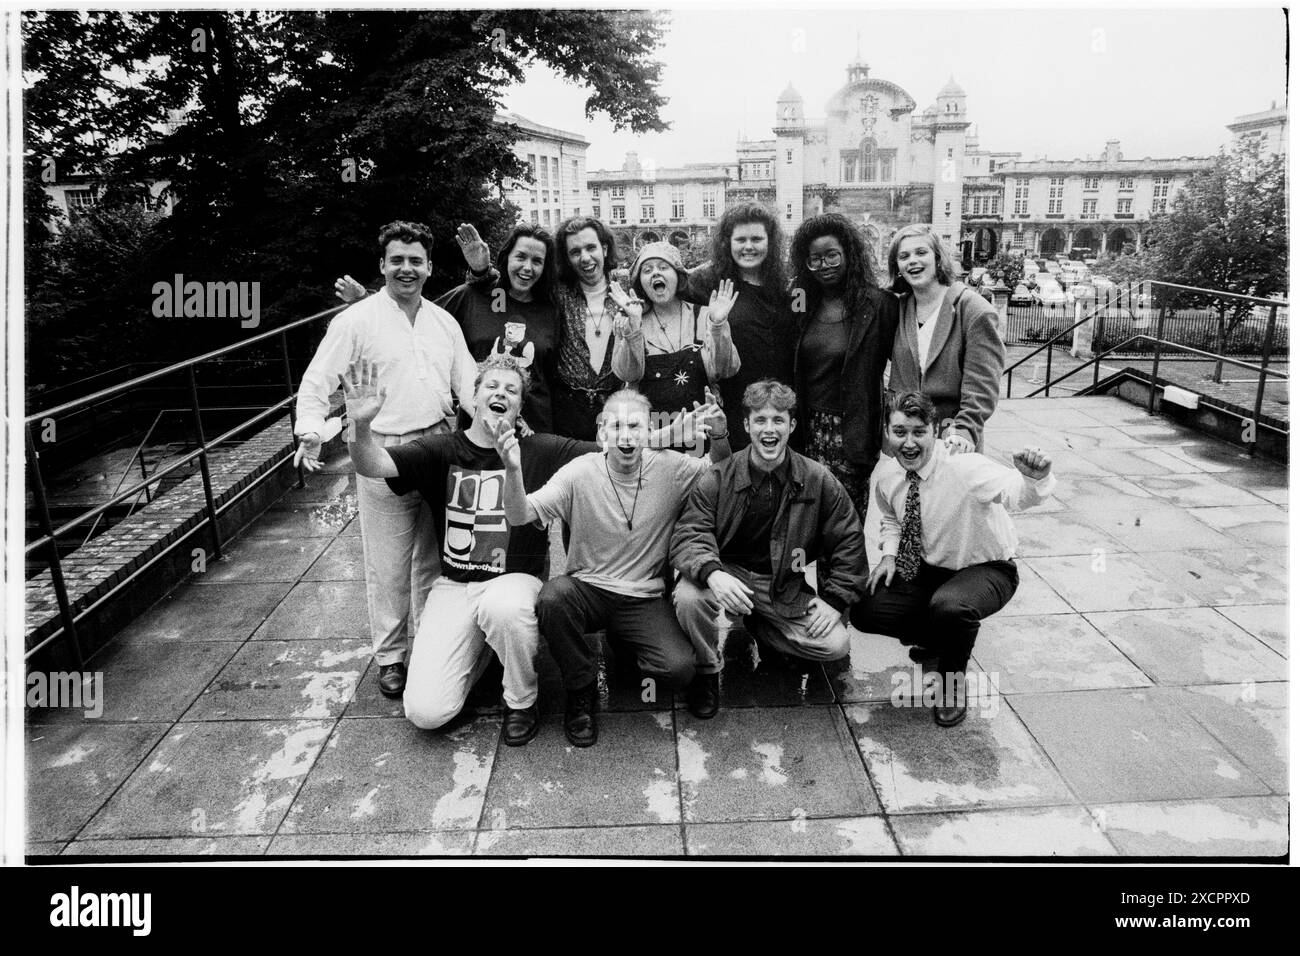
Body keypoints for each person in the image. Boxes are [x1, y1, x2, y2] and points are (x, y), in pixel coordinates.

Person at [343, 352, 603, 744]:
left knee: (504, 609)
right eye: (492, 386)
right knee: (426, 713)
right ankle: (485, 648)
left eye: (512, 390)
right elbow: (372, 464)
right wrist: (361, 425)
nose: (502, 393)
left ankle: (521, 700)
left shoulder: (542, 450)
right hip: (455, 587)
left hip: (515, 582)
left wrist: (672, 437)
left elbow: (608, 449)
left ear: (519, 407)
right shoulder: (441, 450)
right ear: (475, 398)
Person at [294, 220, 476, 699]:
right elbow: (317, 381)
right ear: (382, 265)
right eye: (397, 260)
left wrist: (496, 422)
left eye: (416, 260)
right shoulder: (355, 321)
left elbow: (469, 385)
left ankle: (432, 649)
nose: (407, 269)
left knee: (435, 561)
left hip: (438, 447)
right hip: (382, 449)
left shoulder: (443, 322)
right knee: (388, 564)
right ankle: (392, 657)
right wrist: (311, 431)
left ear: (431, 267)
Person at [497, 387, 730, 747]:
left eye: (634, 426)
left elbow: (721, 471)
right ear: (602, 432)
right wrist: (513, 471)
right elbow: (520, 514)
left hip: (642, 596)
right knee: (552, 599)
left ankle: (622, 641)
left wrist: (718, 433)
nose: (625, 435)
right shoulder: (578, 472)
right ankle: (581, 688)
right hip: (587, 589)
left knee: (678, 670)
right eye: (616, 426)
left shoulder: (670, 467)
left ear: (648, 432)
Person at [851, 391, 1055, 727]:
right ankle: (935, 642)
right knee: (864, 607)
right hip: (932, 570)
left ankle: (951, 684)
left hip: (988, 569)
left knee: (951, 607)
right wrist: (889, 555)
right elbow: (890, 517)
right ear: (887, 434)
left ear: (935, 431)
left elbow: (1015, 493)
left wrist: (1035, 478)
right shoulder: (888, 475)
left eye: (919, 432)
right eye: (900, 432)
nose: (909, 442)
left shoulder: (965, 466)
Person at [671, 379, 868, 718]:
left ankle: (764, 626)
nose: (769, 429)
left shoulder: (818, 479)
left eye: (778, 420)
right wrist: (713, 573)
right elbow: (689, 533)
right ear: (746, 425)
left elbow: (849, 540)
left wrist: (836, 600)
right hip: (727, 574)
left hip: (779, 583)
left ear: (791, 425)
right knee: (691, 599)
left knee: (836, 644)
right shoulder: (718, 476)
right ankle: (705, 671)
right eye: (760, 420)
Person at [337, 223, 560, 433]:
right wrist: (364, 301)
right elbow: (416, 319)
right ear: (506, 258)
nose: (527, 267)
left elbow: (556, 376)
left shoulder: (552, 308)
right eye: (520, 257)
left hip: (534, 428)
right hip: (477, 427)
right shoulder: (472, 296)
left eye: (537, 261)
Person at [788, 213, 899, 517]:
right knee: (814, 525)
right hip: (808, 432)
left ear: (849, 254)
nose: (824, 266)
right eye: (815, 259)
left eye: (832, 256)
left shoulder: (879, 304)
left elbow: (906, 366)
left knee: (846, 528)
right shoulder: (800, 302)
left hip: (852, 430)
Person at [681, 202, 798, 450]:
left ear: (771, 241)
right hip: (735, 406)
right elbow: (668, 287)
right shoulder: (708, 281)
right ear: (727, 242)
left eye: (757, 239)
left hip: (782, 405)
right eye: (740, 239)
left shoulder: (786, 283)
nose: (748, 246)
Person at [887, 224, 1004, 454]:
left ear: (938, 258)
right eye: (904, 256)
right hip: (904, 444)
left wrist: (965, 430)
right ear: (897, 266)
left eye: (921, 253)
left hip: (950, 442)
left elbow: (981, 385)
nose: (912, 261)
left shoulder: (973, 310)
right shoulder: (897, 308)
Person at [627, 240, 741, 451]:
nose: (655, 274)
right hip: (654, 443)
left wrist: (717, 325)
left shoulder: (704, 315)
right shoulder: (633, 321)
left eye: (663, 268)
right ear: (639, 282)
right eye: (647, 270)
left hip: (700, 439)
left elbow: (727, 369)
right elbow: (628, 374)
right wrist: (632, 329)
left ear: (678, 276)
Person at [549, 216, 646, 440]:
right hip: (567, 413)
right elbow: (515, 283)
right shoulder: (558, 293)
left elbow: (676, 278)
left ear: (604, 248)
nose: (585, 258)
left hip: (616, 411)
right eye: (575, 252)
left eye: (590, 247)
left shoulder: (629, 285)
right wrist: (480, 271)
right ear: (567, 258)